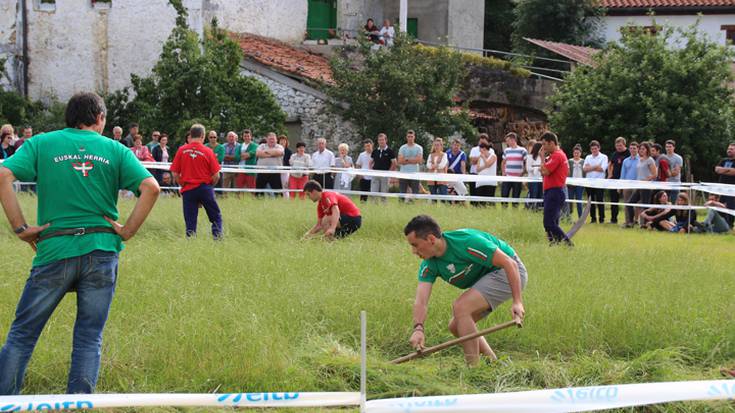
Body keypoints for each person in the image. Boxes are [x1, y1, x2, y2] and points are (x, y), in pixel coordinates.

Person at [0, 92, 160, 395]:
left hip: (54, 249)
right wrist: (126, 231)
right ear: (100, 118)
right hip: (101, 251)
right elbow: (151, 187)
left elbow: (3, 173)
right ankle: (79, 404)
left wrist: (20, 228)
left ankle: (4, 401)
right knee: (88, 338)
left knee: (22, 335)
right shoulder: (116, 149)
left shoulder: (41, 143)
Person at [404, 215, 527, 366]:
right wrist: (418, 329)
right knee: (456, 326)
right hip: (491, 275)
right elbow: (421, 300)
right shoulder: (429, 264)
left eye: (415, 245)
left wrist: (517, 302)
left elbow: (510, 264)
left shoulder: (467, 241)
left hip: (509, 271)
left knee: (461, 307)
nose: (413, 251)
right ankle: (495, 365)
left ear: (431, 239)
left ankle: (472, 369)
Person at [170, 124, 222, 239]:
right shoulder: (208, 151)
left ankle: (191, 243)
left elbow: (174, 173)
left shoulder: (181, 150)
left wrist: (183, 184)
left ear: (191, 135)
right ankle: (218, 240)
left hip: (188, 189)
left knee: (190, 221)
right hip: (205, 188)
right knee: (216, 217)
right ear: (203, 136)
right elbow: (216, 175)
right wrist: (209, 186)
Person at [539, 132, 571, 245]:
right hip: (554, 191)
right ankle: (555, 244)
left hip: (554, 192)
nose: (543, 148)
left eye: (544, 144)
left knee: (548, 223)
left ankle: (568, 244)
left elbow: (545, 171)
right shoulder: (558, 155)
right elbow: (544, 172)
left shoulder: (557, 155)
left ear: (552, 143)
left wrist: (542, 158)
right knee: (553, 222)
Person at [628, 142, 657, 219]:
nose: (641, 150)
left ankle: (646, 223)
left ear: (647, 150)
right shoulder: (640, 160)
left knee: (645, 205)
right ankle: (631, 222)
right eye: (640, 149)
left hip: (646, 186)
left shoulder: (650, 160)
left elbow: (654, 174)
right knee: (630, 203)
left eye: (643, 149)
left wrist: (646, 180)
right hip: (639, 185)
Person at [582, 140, 608, 224]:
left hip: (600, 182)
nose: (594, 150)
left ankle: (601, 219)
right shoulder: (588, 157)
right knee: (591, 201)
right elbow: (585, 169)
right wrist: (596, 166)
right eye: (592, 149)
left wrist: (591, 167)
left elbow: (602, 169)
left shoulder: (604, 157)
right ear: (590, 149)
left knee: (600, 200)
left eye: (595, 148)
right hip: (589, 182)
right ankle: (593, 218)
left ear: (599, 148)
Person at [500, 132, 526, 208]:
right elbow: (503, 162)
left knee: (516, 195)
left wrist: (523, 172)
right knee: (504, 194)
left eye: (508, 140)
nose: (507, 142)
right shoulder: (506, 150)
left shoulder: (522, 150)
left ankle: (515, 209)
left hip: (517, 178)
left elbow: (526, 162)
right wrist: (503, 172)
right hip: (507, 177)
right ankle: (504, 209)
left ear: (513, 140)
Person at [607, 137, 628, 225]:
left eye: (620, 145)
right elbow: (610, 164)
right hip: (614, 180)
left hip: (626, 181)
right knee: (614, 200)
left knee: (628, 201)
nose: (618, 147)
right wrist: (610, 174)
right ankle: (613, 219)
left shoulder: (628, 153)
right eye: (617, 145)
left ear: (624, 145)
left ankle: (629, 220)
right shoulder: (615, 154)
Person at [397, 130, 424, 201]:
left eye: (411, 136)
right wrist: (413, 160)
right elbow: (399, 161)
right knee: (402, 193)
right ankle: (401, 206)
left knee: (415, 193)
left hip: (415, 173)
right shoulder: (402, 148)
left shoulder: (419, 148)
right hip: (403, 173)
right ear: (406, 137)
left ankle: (413, 206)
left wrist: (406, 159)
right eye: (409, 137)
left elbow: (419, 160)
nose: (410, 138)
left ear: (414, 137)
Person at [370, 133, 396, 202]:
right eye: (379, 140)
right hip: (375, 174)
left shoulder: (390, 151)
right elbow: (371, 162)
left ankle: (384, 208)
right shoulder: (375, 151)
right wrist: (371, 170)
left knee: (384, 194)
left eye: (382, 140)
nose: (381, 141)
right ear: (378, 141)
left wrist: (389, 172)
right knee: (373, 193)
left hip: (385, 175)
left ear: (386, 140)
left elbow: (394, 163)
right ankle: (373, 207)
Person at [714, 142, 735, 228]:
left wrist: (723, 170)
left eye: (731, 149)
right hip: (721, 189)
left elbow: (734, 172)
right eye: (728, 149)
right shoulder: (723, 160)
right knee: (720, 206)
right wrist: (728, 170)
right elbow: (717, 169)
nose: (729, 150)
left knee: (731, 207)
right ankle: (721, 225)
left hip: (732, 189)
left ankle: (729, 225)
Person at [620, 141, 639, 228]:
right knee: (627, 204)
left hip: (637, 185)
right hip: (627, 185)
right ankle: (628, 222)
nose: (632, 150)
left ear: (638, 149)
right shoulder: (625, 161)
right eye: (631, 148)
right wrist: (620, 185)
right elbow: (623, 174)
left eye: (634, 148)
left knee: (637, 204)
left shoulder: (641, 160)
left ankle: (636, 221)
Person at [567, 144, 585, 218]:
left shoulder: (583, 161)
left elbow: (585, 172)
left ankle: (580, 217)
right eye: (575, 153)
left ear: (580, 153)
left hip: (580, 183)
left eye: (578, 153)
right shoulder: (570, 161)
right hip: (571, 183)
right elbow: (567, 172)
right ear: (573, 153)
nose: (576, 154)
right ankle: (569, 215)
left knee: (579, 200)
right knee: (570, 200)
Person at [525, 142, 543, 210]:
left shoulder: (543, 157)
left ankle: (539, 207)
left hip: (541, 179)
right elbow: (528, 168)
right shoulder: (529, 157)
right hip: (532, 179)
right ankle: (531, 207)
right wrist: (536, 168)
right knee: (533, 194)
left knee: (540, 194)